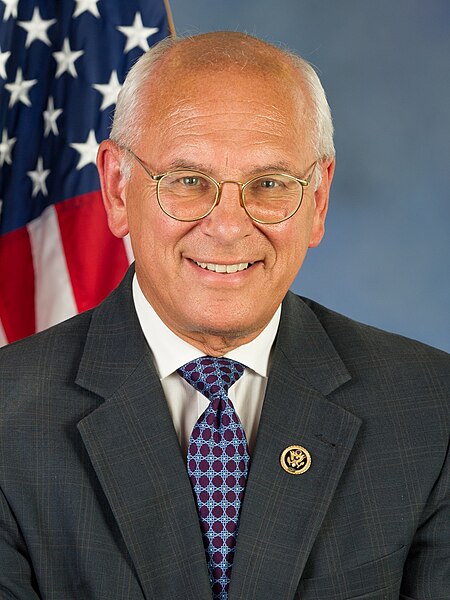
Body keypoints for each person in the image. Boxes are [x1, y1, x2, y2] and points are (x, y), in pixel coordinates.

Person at [0, 31, 448, 600]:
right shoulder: (7, 422)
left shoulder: (433, 410)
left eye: (268, 184)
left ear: (318, 199)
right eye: (188, 182)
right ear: (117, 188)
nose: (229, 225)